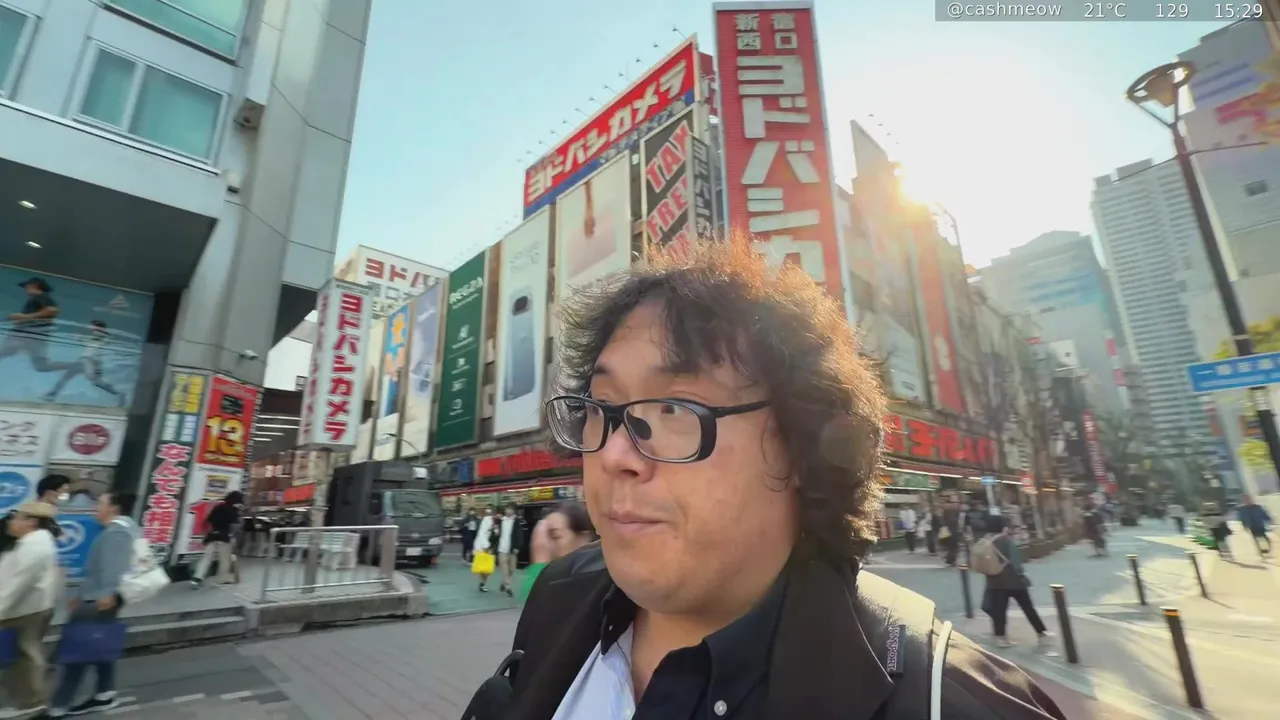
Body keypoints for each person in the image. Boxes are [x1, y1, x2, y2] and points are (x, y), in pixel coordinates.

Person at [483, 242, 1064, 719]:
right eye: (601, 407)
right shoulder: (561, 595)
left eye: (675, 409)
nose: (614, 455)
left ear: (801, 447)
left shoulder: (950, 702)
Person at [44, 491, 138, 717]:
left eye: (100, 503)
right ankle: (105, 694)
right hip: (98, 597)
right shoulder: (125, 527)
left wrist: (105, 595)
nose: (96, 507)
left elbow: (113, 568)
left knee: (78, 652)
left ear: (113, 508)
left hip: (98, 601)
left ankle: (58, 706)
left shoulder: (117, 532)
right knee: (98, 645)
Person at [0, 502, 61, 718]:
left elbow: (16, 585)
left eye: (16, 518)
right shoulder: (32, 542)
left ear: (31, 522)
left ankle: (31, 704)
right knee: (23, 655)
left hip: (21, 611)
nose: (11, 522)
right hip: (26, 608)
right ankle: (28, 702)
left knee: (24, 657)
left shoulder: (33, 547)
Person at [980, 515, 1052, 649]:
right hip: (1013, 580)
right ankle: (1041, 633)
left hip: (994, 581)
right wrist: (1022, 575)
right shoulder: (1006, 541)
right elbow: (1016, 562)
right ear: (1003, 527)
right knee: (1028, 607)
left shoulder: (986, 541)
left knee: (999, 610)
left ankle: (1000, 638)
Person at [523, 501, 596, 602]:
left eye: (555, 536)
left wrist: (540, 562)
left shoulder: (592, 583)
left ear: (583, 539)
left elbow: (539, 604)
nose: (546, 544)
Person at [41, 320, 125, 405]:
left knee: (97, 382)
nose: (92, 330)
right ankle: (52, 394)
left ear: (100, 328)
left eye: (94, 328)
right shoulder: (93, 338)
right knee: (66, 376)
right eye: (92, 328)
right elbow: (88, 343)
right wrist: (79, 338)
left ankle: (119, 393)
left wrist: (98, 332)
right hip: (83, 361)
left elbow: (104, 339)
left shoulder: (104, 337)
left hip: (92, 362)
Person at [0, 277, 60, 373]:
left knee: (2, 352)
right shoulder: (37, 299)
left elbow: (53, 310)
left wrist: (26, 317)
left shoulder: (42, 296)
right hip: (34, 335)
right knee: (42, 366)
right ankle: (76, 366)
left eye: (26, 286)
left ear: (34, 286)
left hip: (25, 334)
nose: (25, 289)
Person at [0, 474, 69, 554]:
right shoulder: (21, 519)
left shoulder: (50, 520)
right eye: (65, 492)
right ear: (49, 493)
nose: (67, 495)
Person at [190, 491, 243, 588]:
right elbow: (235, 526)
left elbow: (207, 521)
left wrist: (206, 532)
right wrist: (233, 537)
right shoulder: (234, 510)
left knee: (206, 558)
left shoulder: (218, 507)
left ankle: (197, 578)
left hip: (212, 536)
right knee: (224, 559)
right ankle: (223, 579)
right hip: (224, 537)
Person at [496, 504, 522, 597]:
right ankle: (508, 588)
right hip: (502, 549)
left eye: (510, 509)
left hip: (511, 549)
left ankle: (503, 583)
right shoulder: (501, 520)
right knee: (504, 569)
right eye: (507, 509)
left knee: (512, 569)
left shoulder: (516, 521)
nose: (508, 511)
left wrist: (517, 547)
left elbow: (519, 535)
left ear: (514, 511)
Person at [474, 507, 497, 592]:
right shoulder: (487, 520)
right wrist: (486, 546)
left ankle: (482, 583)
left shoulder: (498, 521)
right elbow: (482, 533)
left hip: (490, 546)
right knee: (482, 568)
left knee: (488, 568)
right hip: (482, 547)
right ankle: (482, 584)